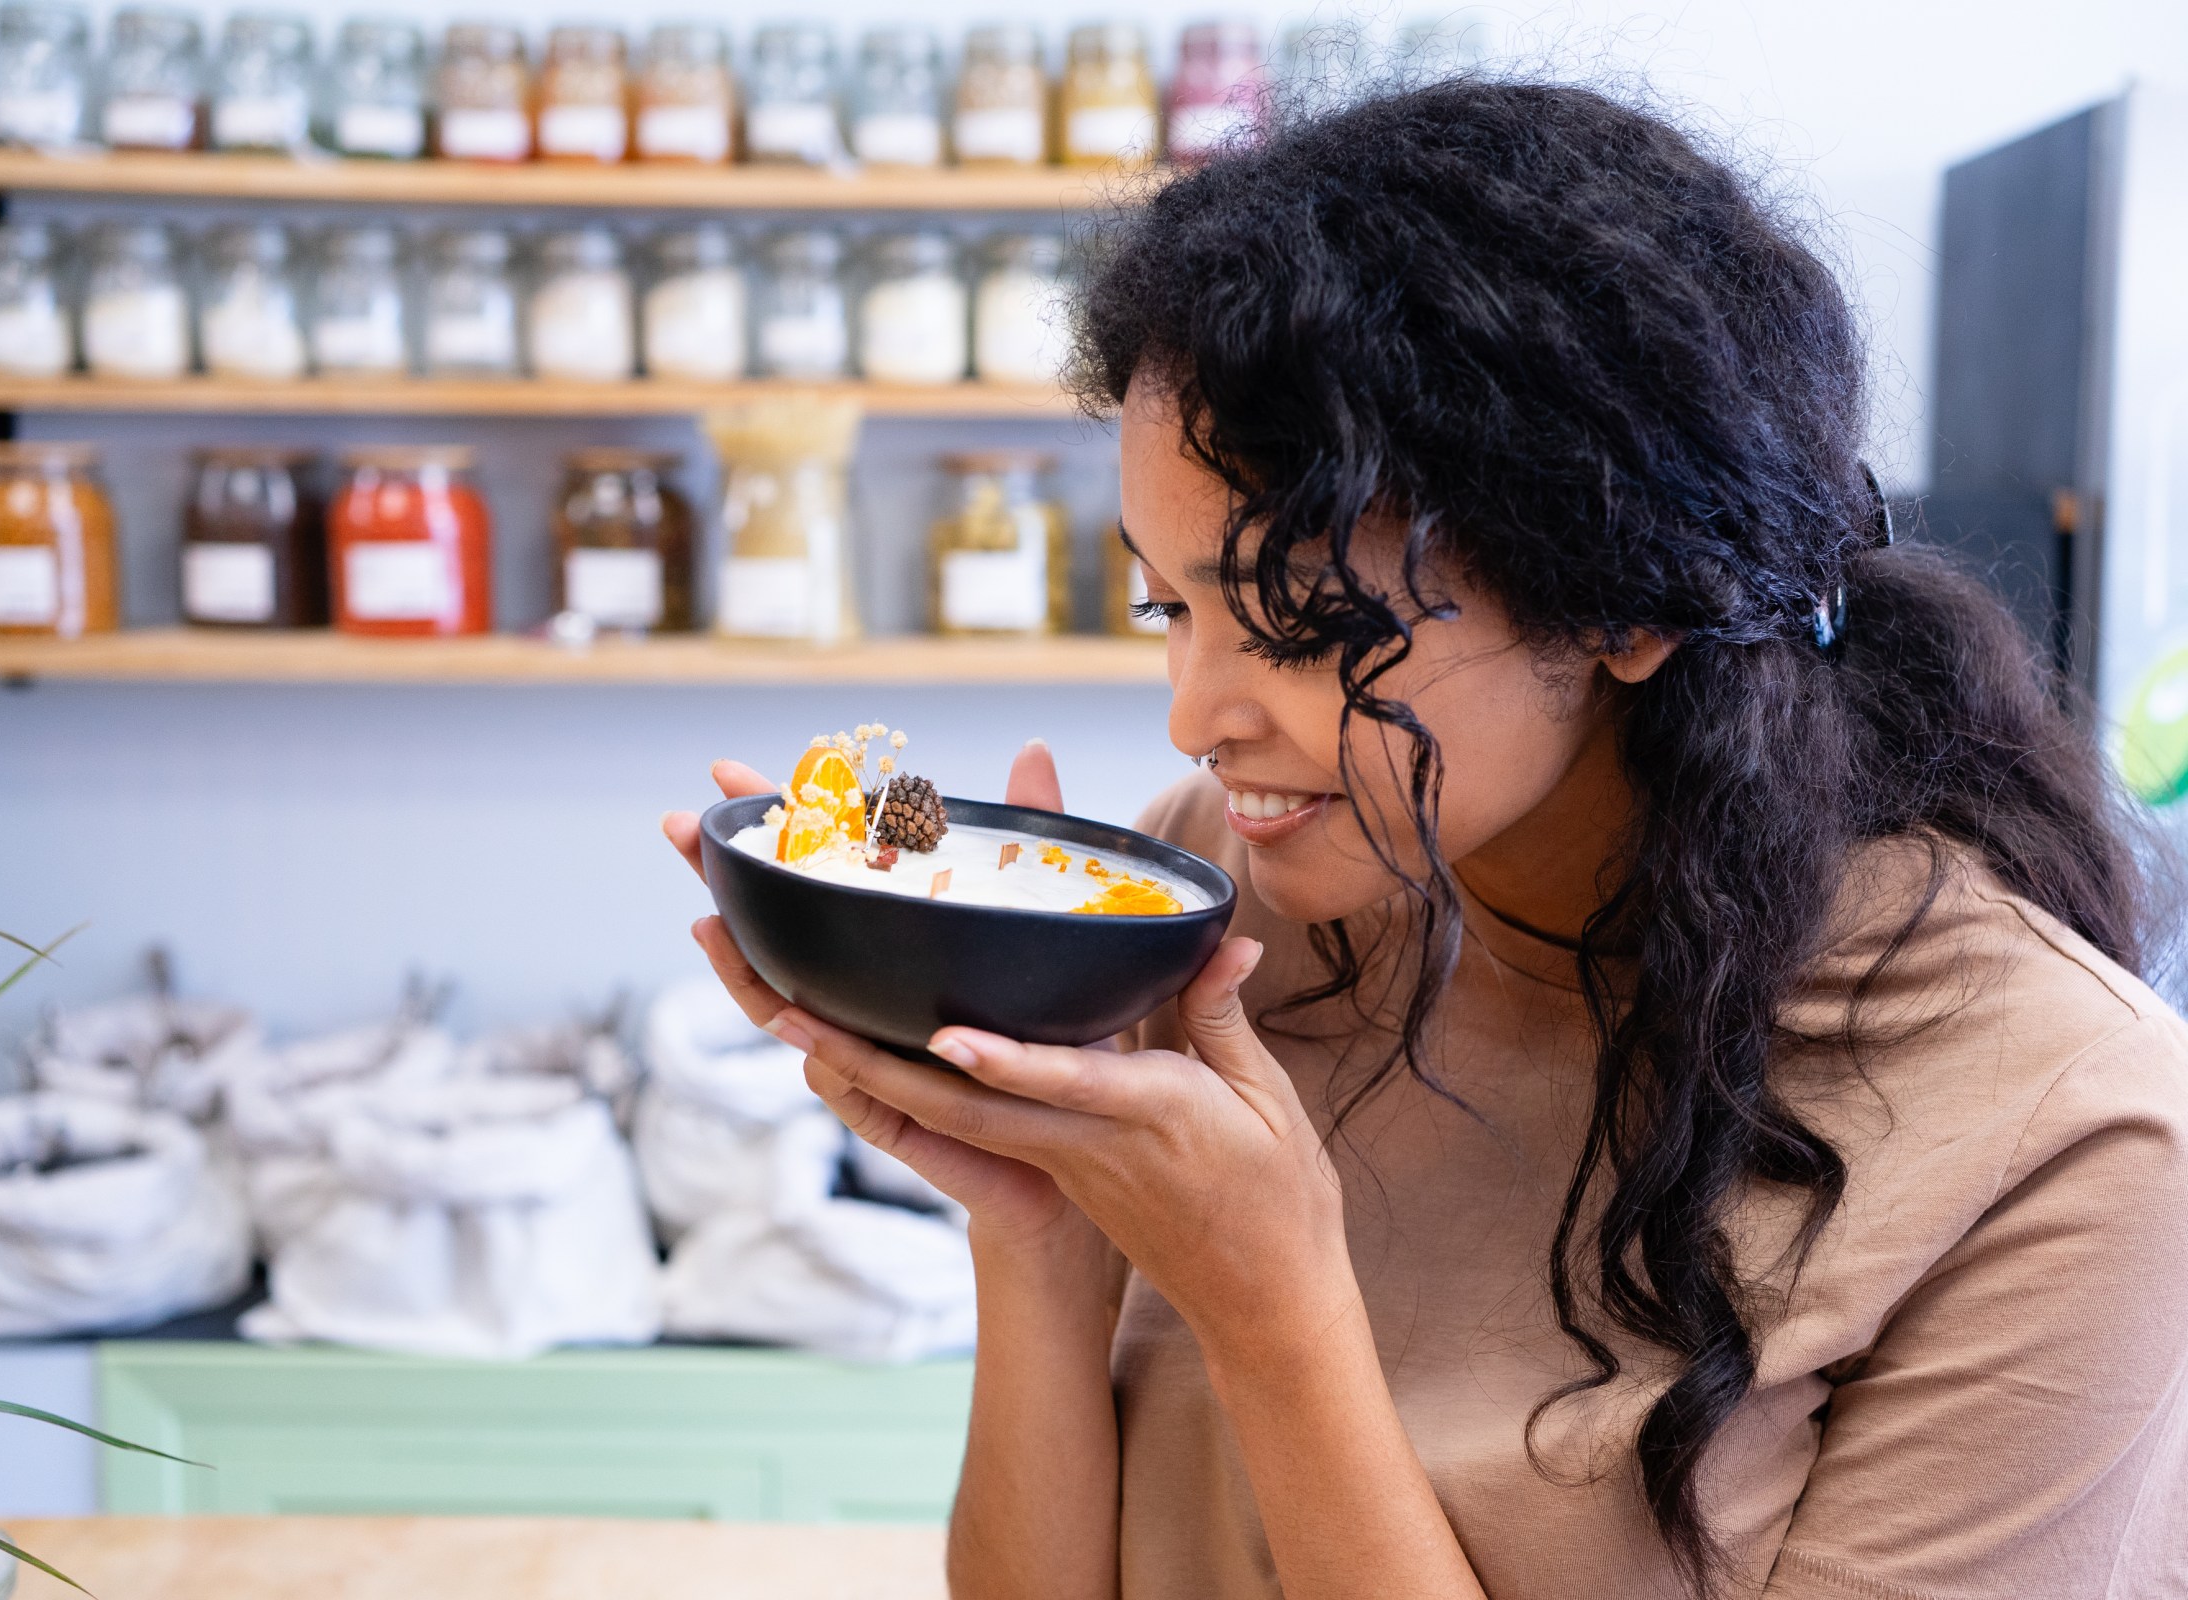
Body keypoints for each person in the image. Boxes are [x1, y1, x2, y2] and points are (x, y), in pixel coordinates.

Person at [660, 80, 2188, 1600]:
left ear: (1626, 598)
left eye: (1303, 625)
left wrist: (1274, 1313)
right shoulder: (1215, 891)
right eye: (1167, 608)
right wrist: (1039, 1224)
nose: (1196, 717)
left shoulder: (2071, 1140)